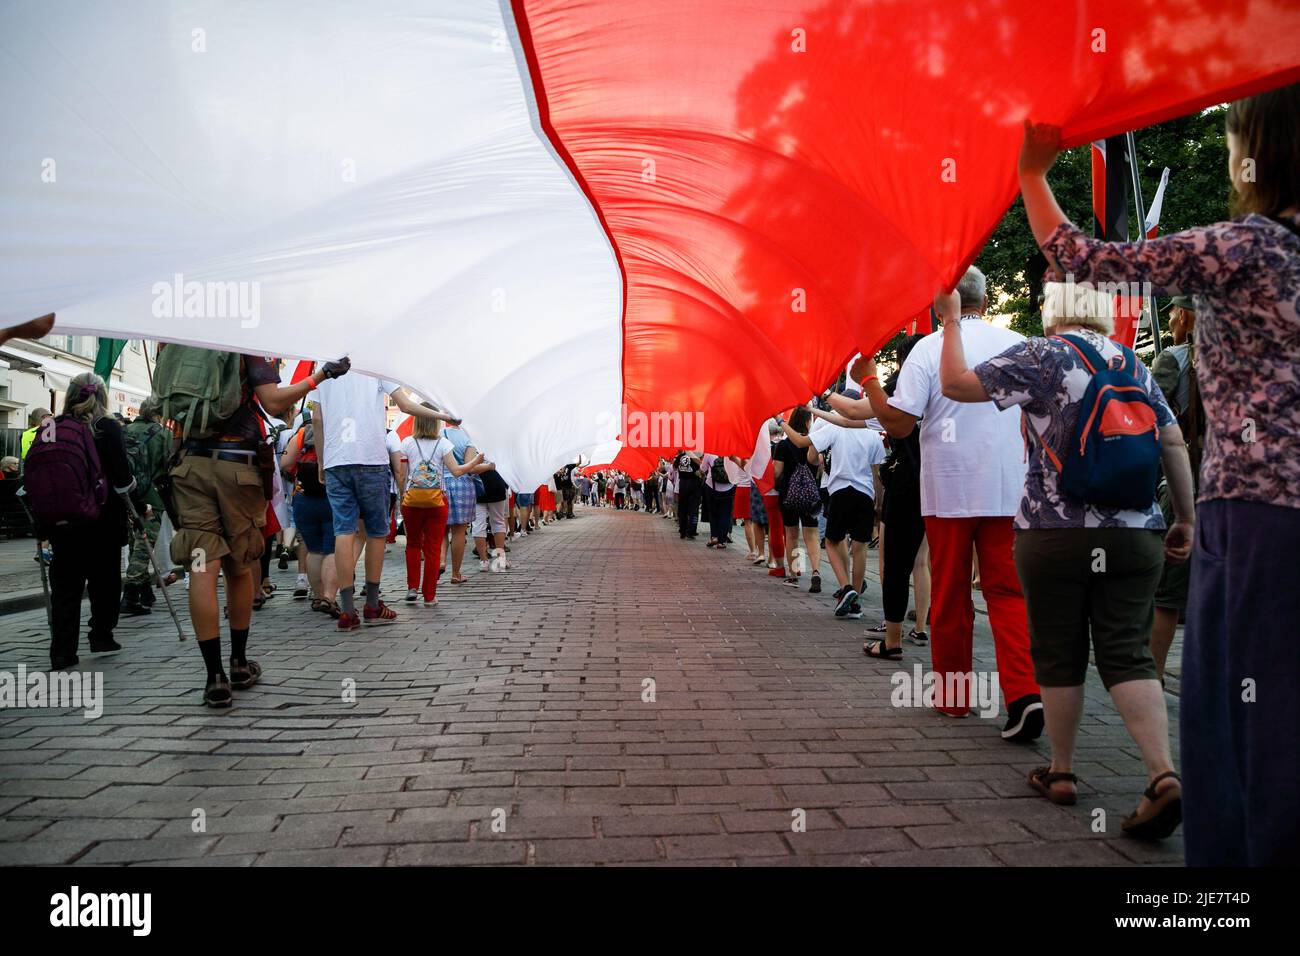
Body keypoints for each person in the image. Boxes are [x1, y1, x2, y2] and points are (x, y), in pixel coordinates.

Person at [1017, 84, 1299, 864]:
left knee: (1236, 711)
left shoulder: (1247, 246)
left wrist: (1034, 174)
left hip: (1260, 511)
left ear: (1257, 154)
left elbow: (1088, 261)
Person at [941, 279, 1193, 840]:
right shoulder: (1133, 363)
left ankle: (1061, 771)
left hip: (1054, 532)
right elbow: (1172, 444)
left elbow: (956, 385)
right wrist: (1185, 518)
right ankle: (1162, 772)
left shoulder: (1041, 353)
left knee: (1057, 649)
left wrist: (952, 319)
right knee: (1128, 652)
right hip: (1135, 532)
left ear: (1052, 313)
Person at [832, 266, 1042, 742]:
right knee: (1008, 595)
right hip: (1008, 488)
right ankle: (1024, 692)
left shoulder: (929, 348)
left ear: (938, 305)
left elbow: (899, 425)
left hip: (950, 490)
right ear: (986, 301)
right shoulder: (1019, 343)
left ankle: (953, 697)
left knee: (950, 594)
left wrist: (868, 380)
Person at [156, 346, 346, 706]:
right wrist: (319, 376)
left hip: (190, 467)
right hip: (237, 467)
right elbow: (273, 402)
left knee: (201, 568)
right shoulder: (246, 342)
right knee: (240, 566)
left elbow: (176, 421)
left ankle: (214, 677)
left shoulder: (180, 343)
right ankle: (239, 662)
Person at [313, 372, 456, 631]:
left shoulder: (326, 366)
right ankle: (372, 605)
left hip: (336, 459)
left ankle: (346, 611)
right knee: (377, 532)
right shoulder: (373, 365)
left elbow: (317, 418)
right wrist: (444, 416)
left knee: (344, 531)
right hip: (370, 459)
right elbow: (405, 404)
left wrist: (322, 461)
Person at [30, 374, 142, 668]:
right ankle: (101, 634)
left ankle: (62, 650)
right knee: (104, 580)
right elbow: (122, 477)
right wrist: (138, 504)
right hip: (103, 518)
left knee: (65, 585)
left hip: (62, 518)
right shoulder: (107, 427)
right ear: (102, 396)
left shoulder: (52, 426)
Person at [859, 335, 931, 657]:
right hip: (942, 481)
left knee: (898, 562)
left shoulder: (905, 387)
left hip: (908, 485)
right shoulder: (946, 378)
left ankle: (893, 639)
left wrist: (868, 378)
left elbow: (864, 414)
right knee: (925, 563)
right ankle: (923, 627)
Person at [1148, 296, 1202, 681]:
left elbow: (1154, 420)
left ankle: (1153, 674)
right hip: (1241, 492)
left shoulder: (1174, 359)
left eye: (1171, 311)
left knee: (1167, 593)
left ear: (1184, 315)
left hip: (1187, 483)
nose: (1168, 318)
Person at [808, 408, 886, 621]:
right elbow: (877, 472)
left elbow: (811, 455)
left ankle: (846, 587)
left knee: (832, 541)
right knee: (859, 548)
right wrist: (878, 502)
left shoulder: (836, 427)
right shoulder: (872, 432)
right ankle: (856, 601)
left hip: (840, 491)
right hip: (865, 494)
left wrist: (822, 462)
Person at [400, 407, 484, 604]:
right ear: (435, 421)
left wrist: (402, 495)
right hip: (437, 501)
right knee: (432, 547)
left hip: (411, 501)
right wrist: (475, 463)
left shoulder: (407, 443)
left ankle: (412, 587)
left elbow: (402, 475)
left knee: (413, 544)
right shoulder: (443, 444)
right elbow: (456, 471)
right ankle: (429, 596)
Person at [281, 413, 340, 617]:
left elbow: (285, 462)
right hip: (332, 496)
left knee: (314, 550)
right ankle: (328, 597)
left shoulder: (301, 434)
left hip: (304, 498)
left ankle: (316, 596)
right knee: (332, 549)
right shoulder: (338, 430)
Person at [120, 398, 172, 616]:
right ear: (159, 413)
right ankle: (131, 592)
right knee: (145, 544)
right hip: (152, 494)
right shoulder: (163, 434)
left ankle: (144, 591)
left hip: (125, 493)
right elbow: (170, 465)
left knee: (134, 540)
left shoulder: (124, 431)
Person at [773, 408, 823, 592]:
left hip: (789, 495)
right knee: (811, 535)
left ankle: (794, 574)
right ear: (808, 422)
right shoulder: (813, 442)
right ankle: (816, 571)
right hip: (810, 496)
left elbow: (777, 472)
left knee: (792, 535)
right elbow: (819, 466)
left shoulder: (783, 446)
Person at [474, 464, 509, 569]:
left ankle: (483, 561)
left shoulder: (470, 447)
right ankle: (501, 559)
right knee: (498, 522)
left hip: (477, 483)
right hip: (496, 482)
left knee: (478, 524)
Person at [700, 452, 736, 548]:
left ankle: (714, 537)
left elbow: (703, 469)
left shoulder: (709, 452)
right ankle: (722, 541)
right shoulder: (733, 451)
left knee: (713, 513)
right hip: (729, 486)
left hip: (712, 486)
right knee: (725, 514)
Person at [673, 451, 703, 539]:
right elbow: (701, 465)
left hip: (682, 483)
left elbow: (674, 467)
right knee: (693, 508)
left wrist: (682, 469)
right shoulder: (696, 456)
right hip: (694, 482)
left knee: (683, 507)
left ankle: (682, 530)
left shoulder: (681, 456)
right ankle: (691, 531)